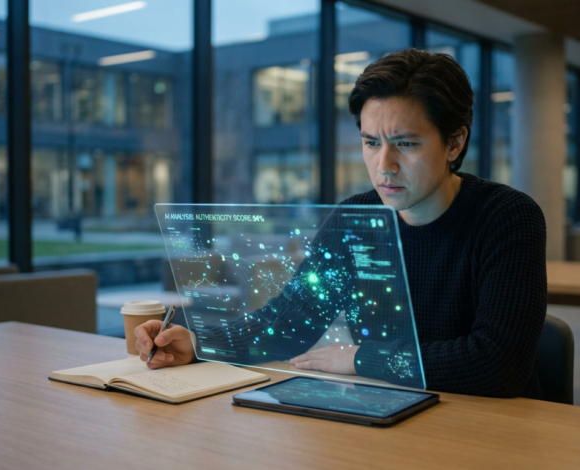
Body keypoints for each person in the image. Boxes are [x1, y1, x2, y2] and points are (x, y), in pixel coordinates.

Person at [135, 48, 547, 399]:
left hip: (488, 425)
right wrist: (198, 342)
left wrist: (359, 357)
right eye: (371, 143)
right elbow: (289, 322)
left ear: (455, 142)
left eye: (405, 143)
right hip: (385, 410)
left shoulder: (507, 217)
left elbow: (498, 363)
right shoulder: (355, 220)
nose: (384, 166)